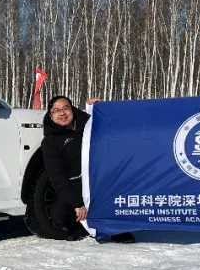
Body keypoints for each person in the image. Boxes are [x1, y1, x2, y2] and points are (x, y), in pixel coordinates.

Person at [42, 95, 135, 243]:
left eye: (66, 108)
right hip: (75, 183)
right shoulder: (50, 142)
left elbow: (111, 125)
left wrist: (98, 108)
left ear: (72, 109)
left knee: (114, 197)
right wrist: (77, 204)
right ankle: (77, 226)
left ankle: (116, 229)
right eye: (56, 110)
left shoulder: (88, 125)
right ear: (50, 115)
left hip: (100, 179)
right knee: (60, 212)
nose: (62, 113)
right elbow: (57, 176)